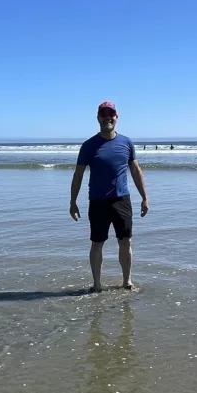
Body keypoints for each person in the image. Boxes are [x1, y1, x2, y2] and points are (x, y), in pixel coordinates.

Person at [70, 101, 149, 292]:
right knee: (97, 243)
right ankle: (97, 285)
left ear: (116, 117)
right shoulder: (89, 145)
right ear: (98, 118)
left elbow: (136, 170)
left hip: (122, 200)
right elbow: (78, 173)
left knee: (125, 241)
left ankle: (126, 281)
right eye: (103, 114)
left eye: (111, 114)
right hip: (97, 201)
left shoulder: (126, 143)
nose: (108, 117)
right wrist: (72, 202)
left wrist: (144, 197)